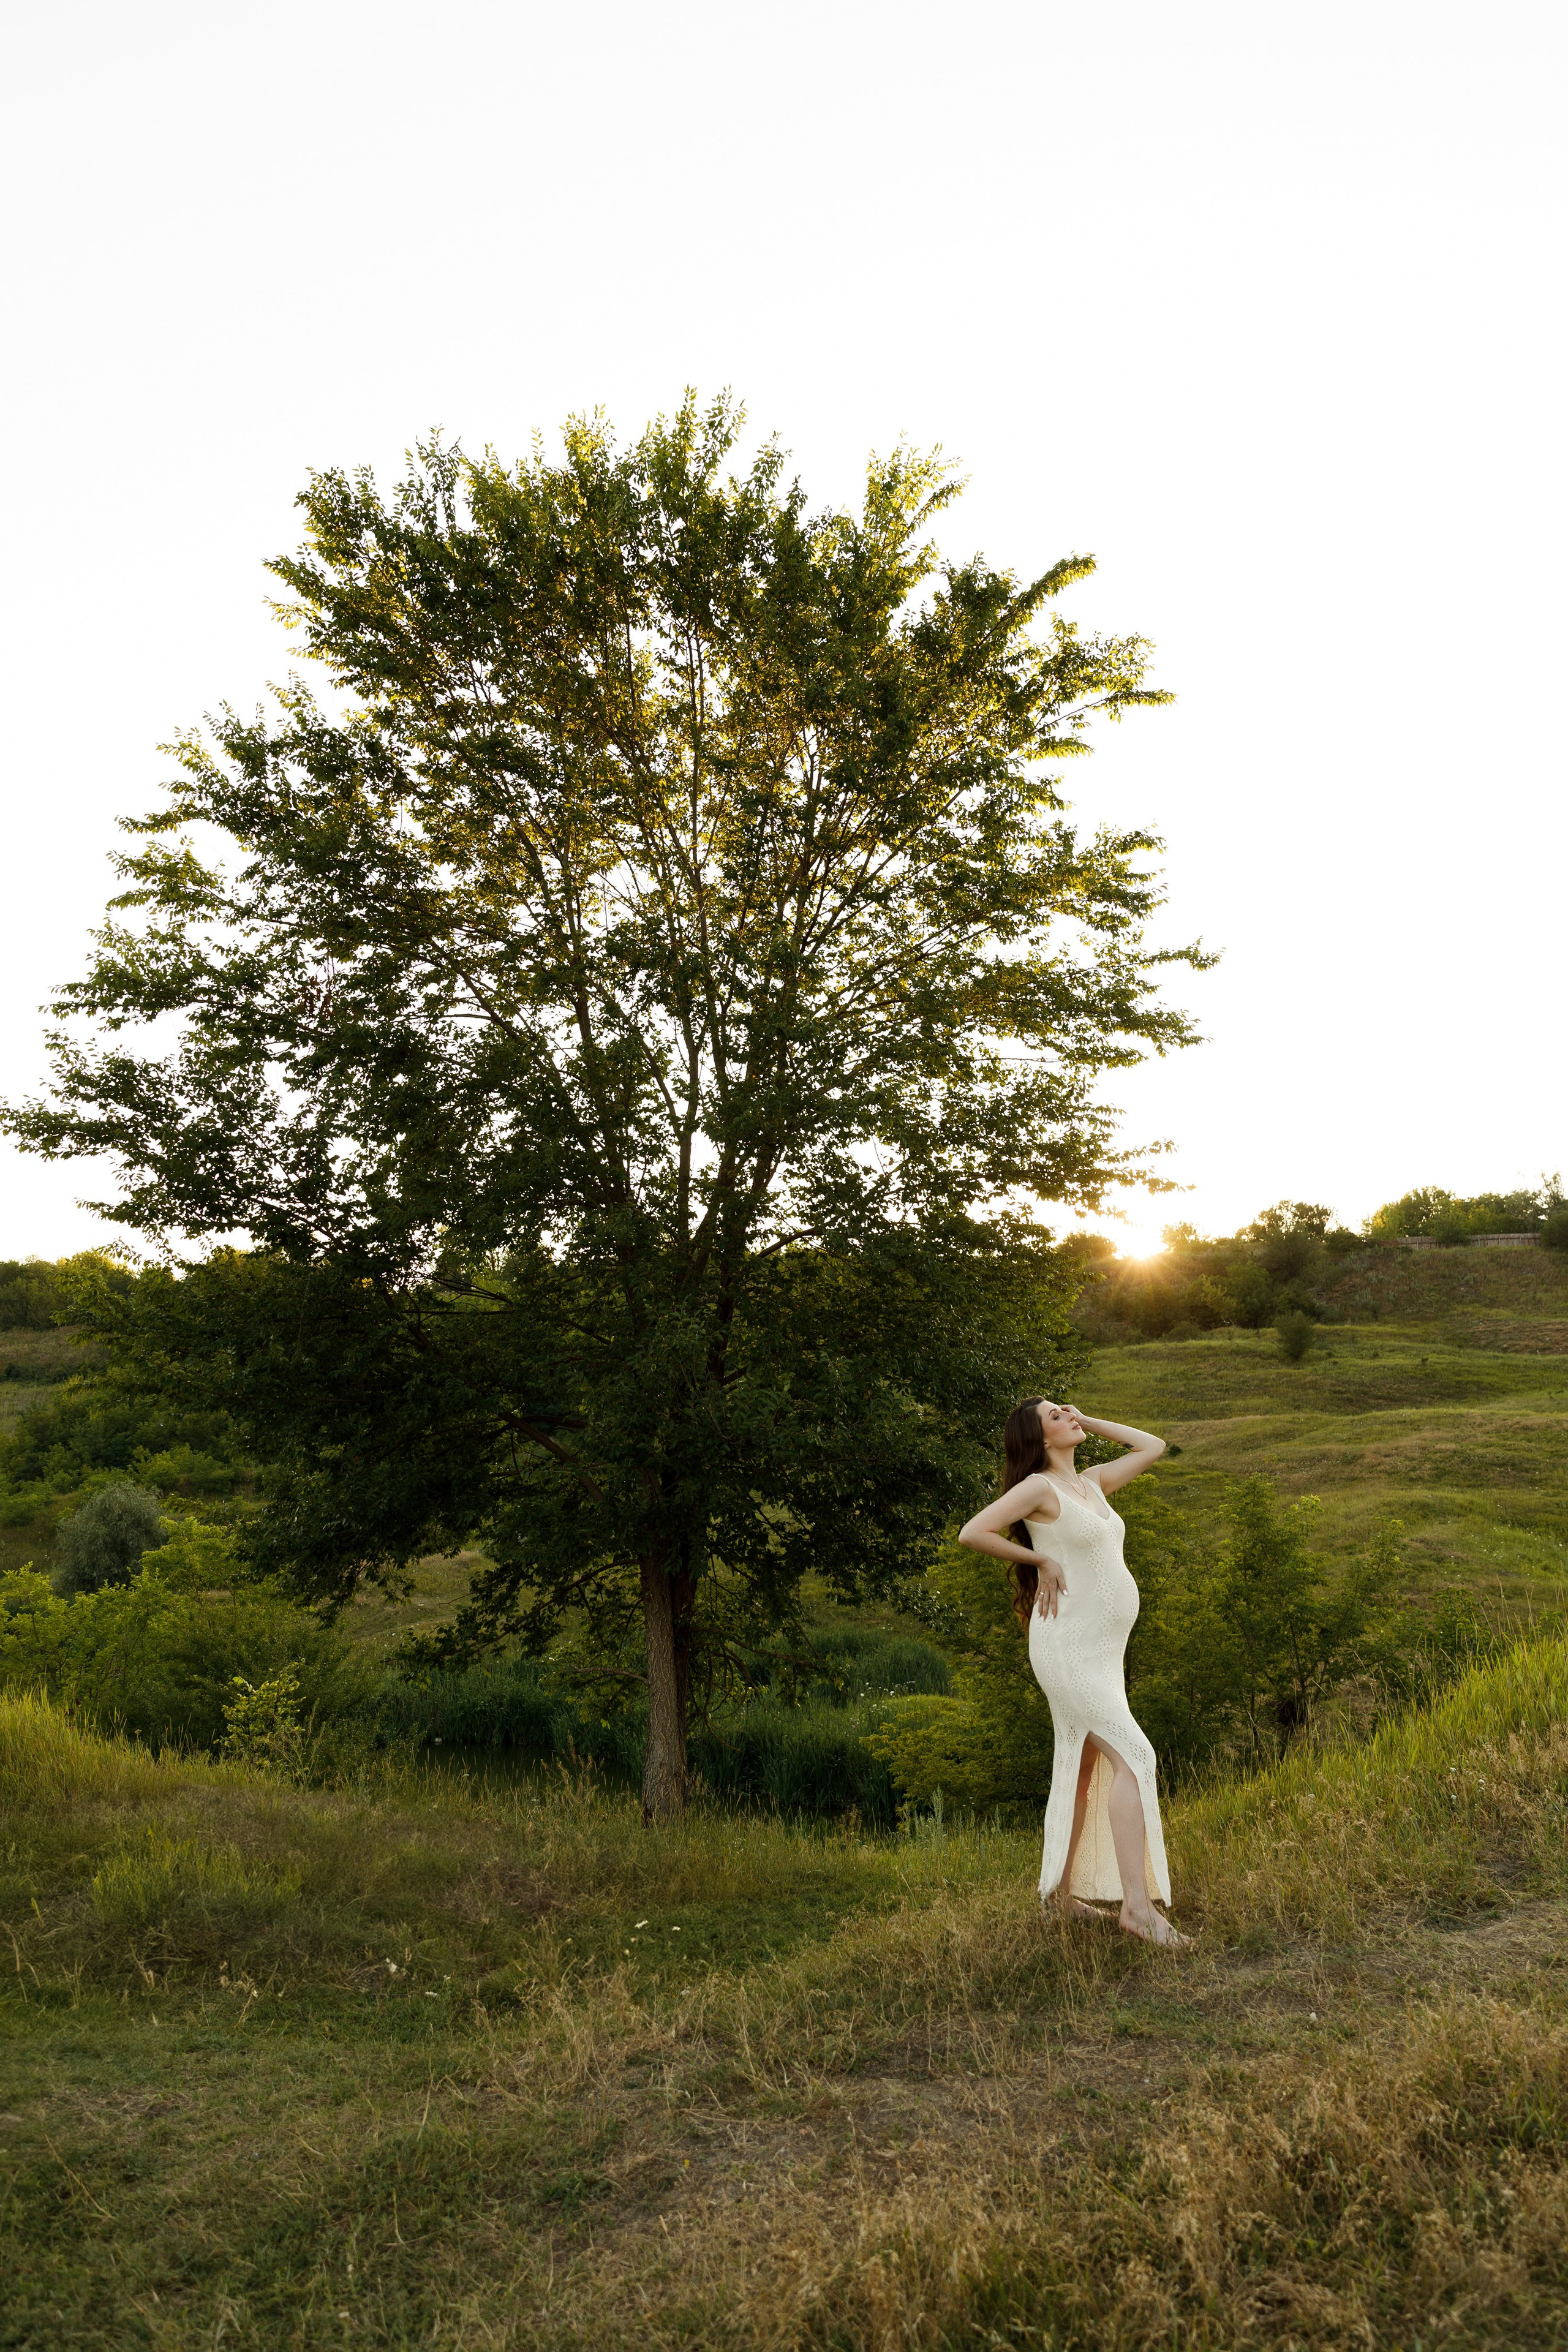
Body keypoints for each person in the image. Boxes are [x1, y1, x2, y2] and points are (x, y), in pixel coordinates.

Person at [957, 1397, 1189, 1947]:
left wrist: (1087, 1419)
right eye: (1055, 1416)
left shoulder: (1092, 1482)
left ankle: (1059, 1901)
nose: (1066, 1415)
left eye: (1067, 1411)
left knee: (1082, 1768)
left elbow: (1153, 1445)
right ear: (1037, 1440)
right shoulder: (1039, 1488)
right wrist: (1043, 1561)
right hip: (1068, 1648)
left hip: (1104, 1652)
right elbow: (973, 1532)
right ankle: (1138, 1909)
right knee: (1137, 1756)